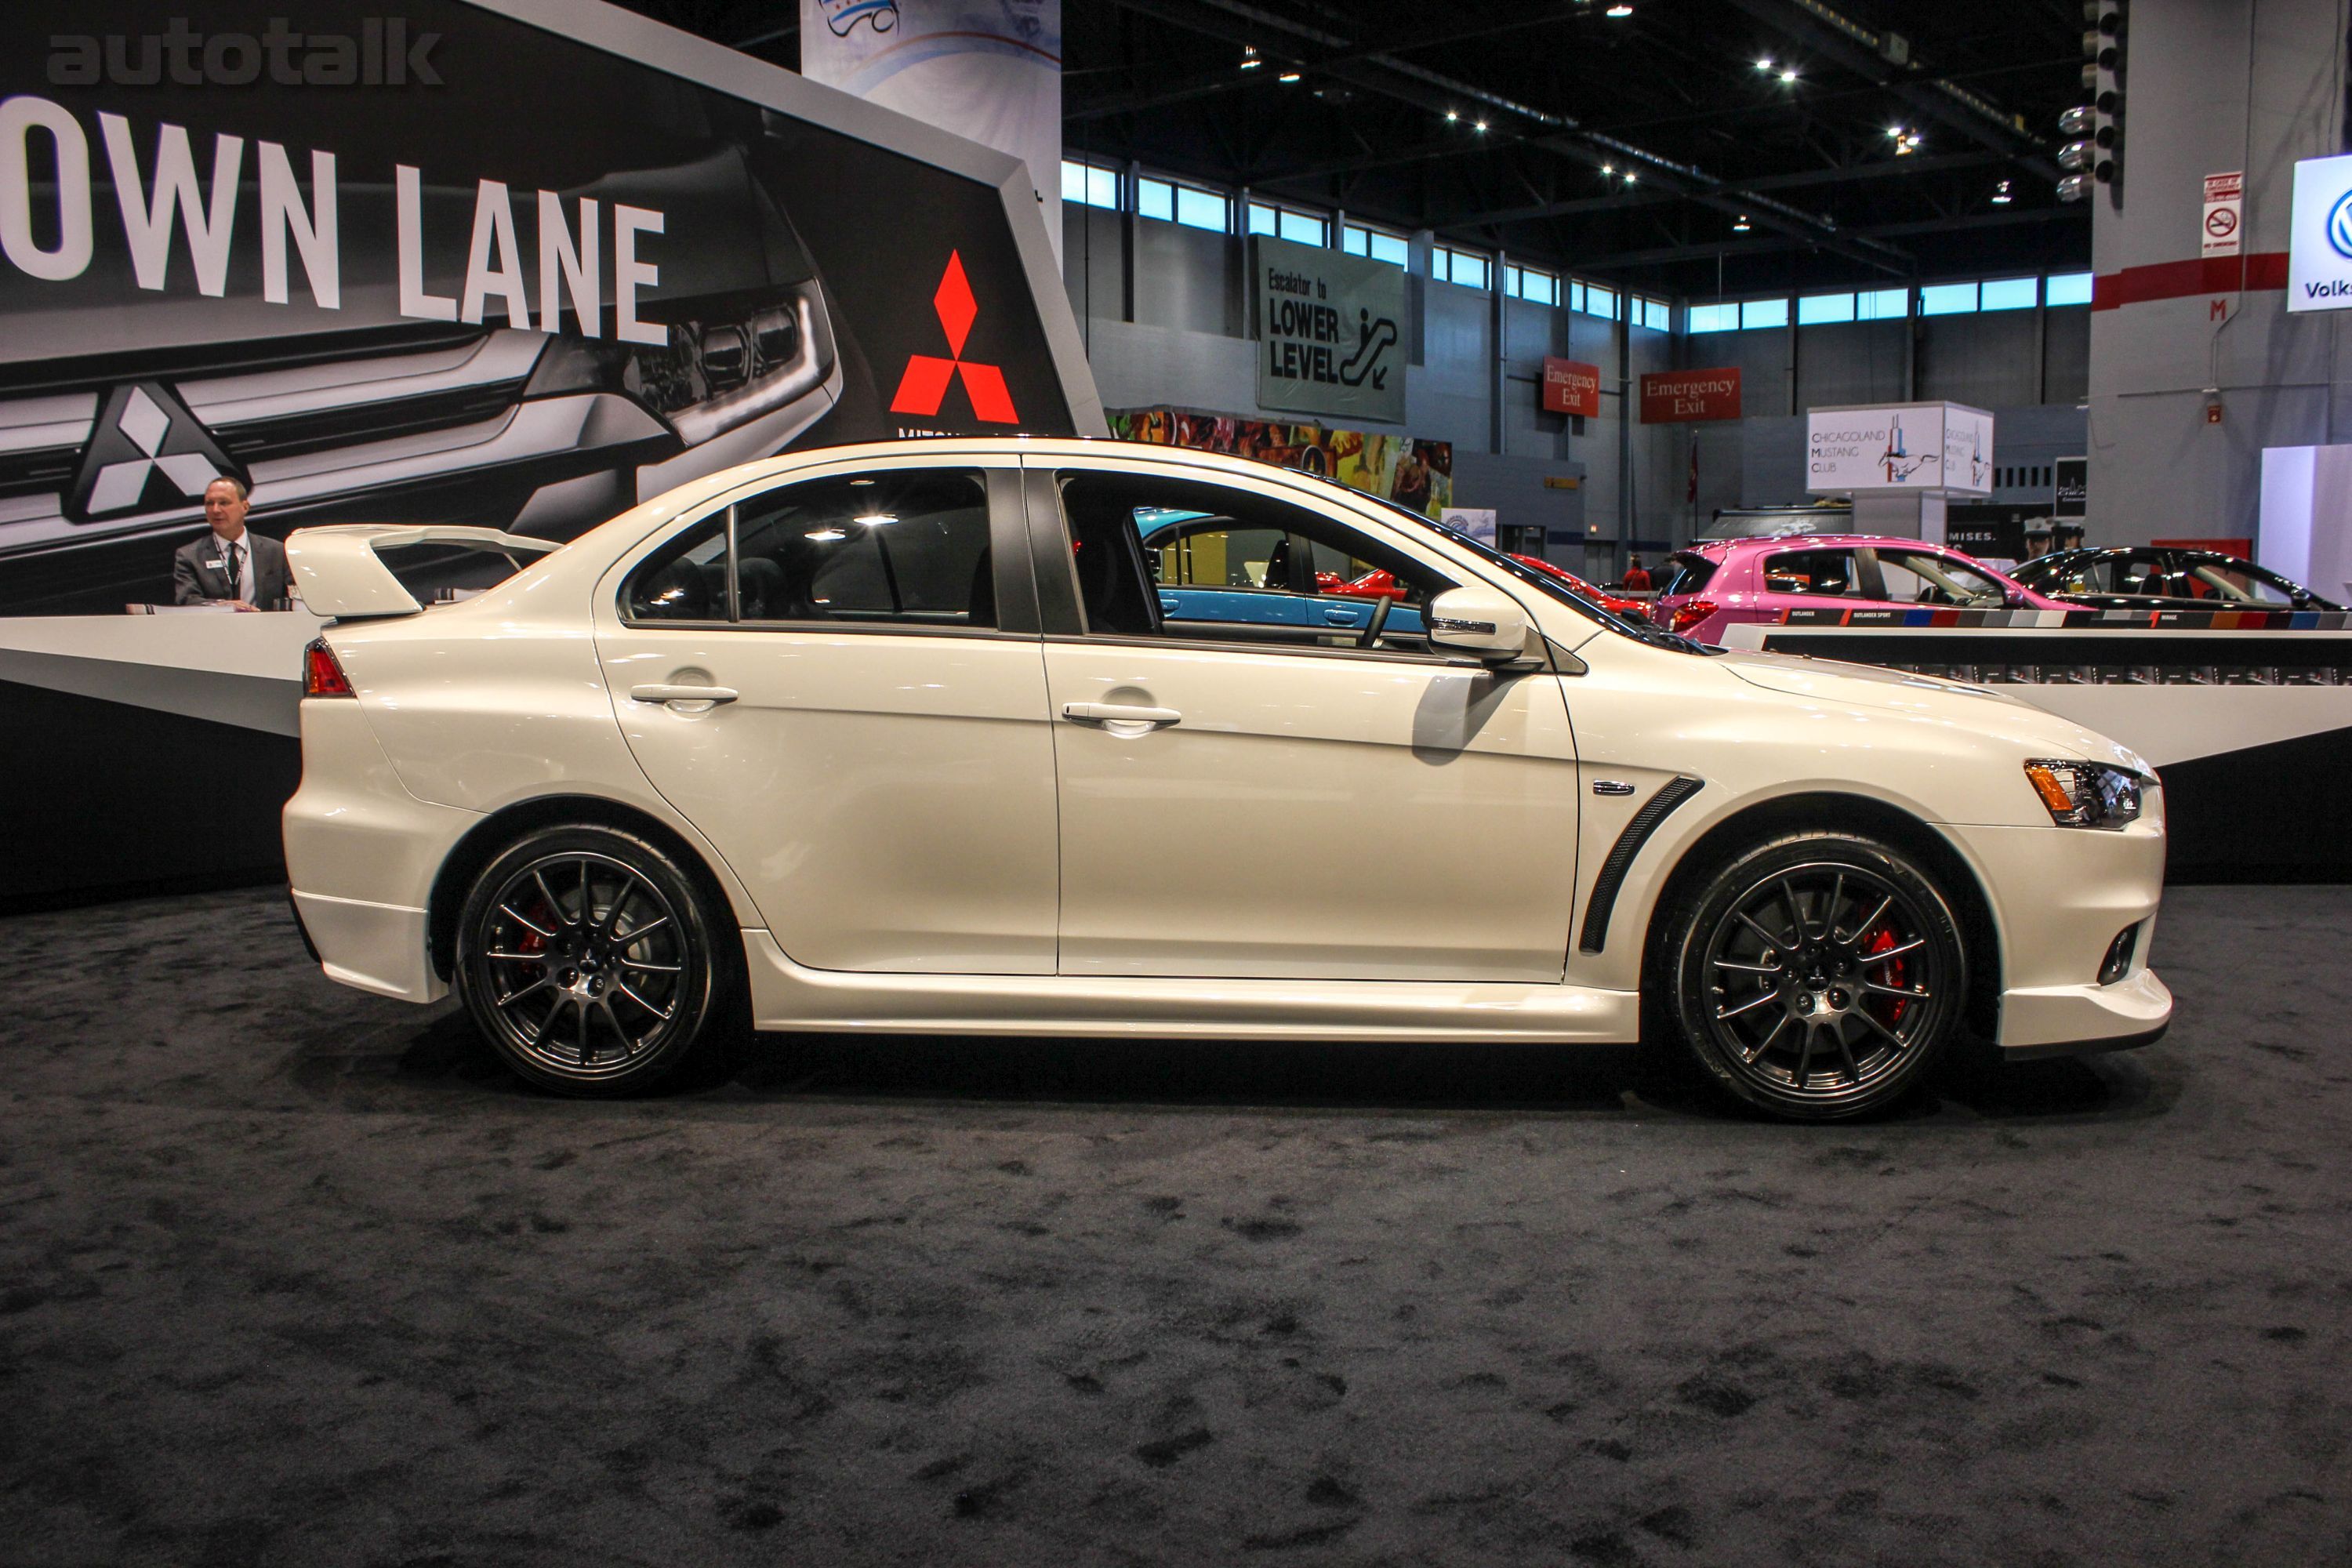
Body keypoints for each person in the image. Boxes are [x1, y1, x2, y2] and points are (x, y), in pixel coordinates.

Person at [172, 478, 288, 610]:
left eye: (224, 503)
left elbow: (294, 598)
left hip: (266, 628)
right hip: (215, 628)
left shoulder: (276, 551)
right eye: (210, 503)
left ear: (245, 507)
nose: (215, 510)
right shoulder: (189, 556)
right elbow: (186, 601)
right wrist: (223, 606)